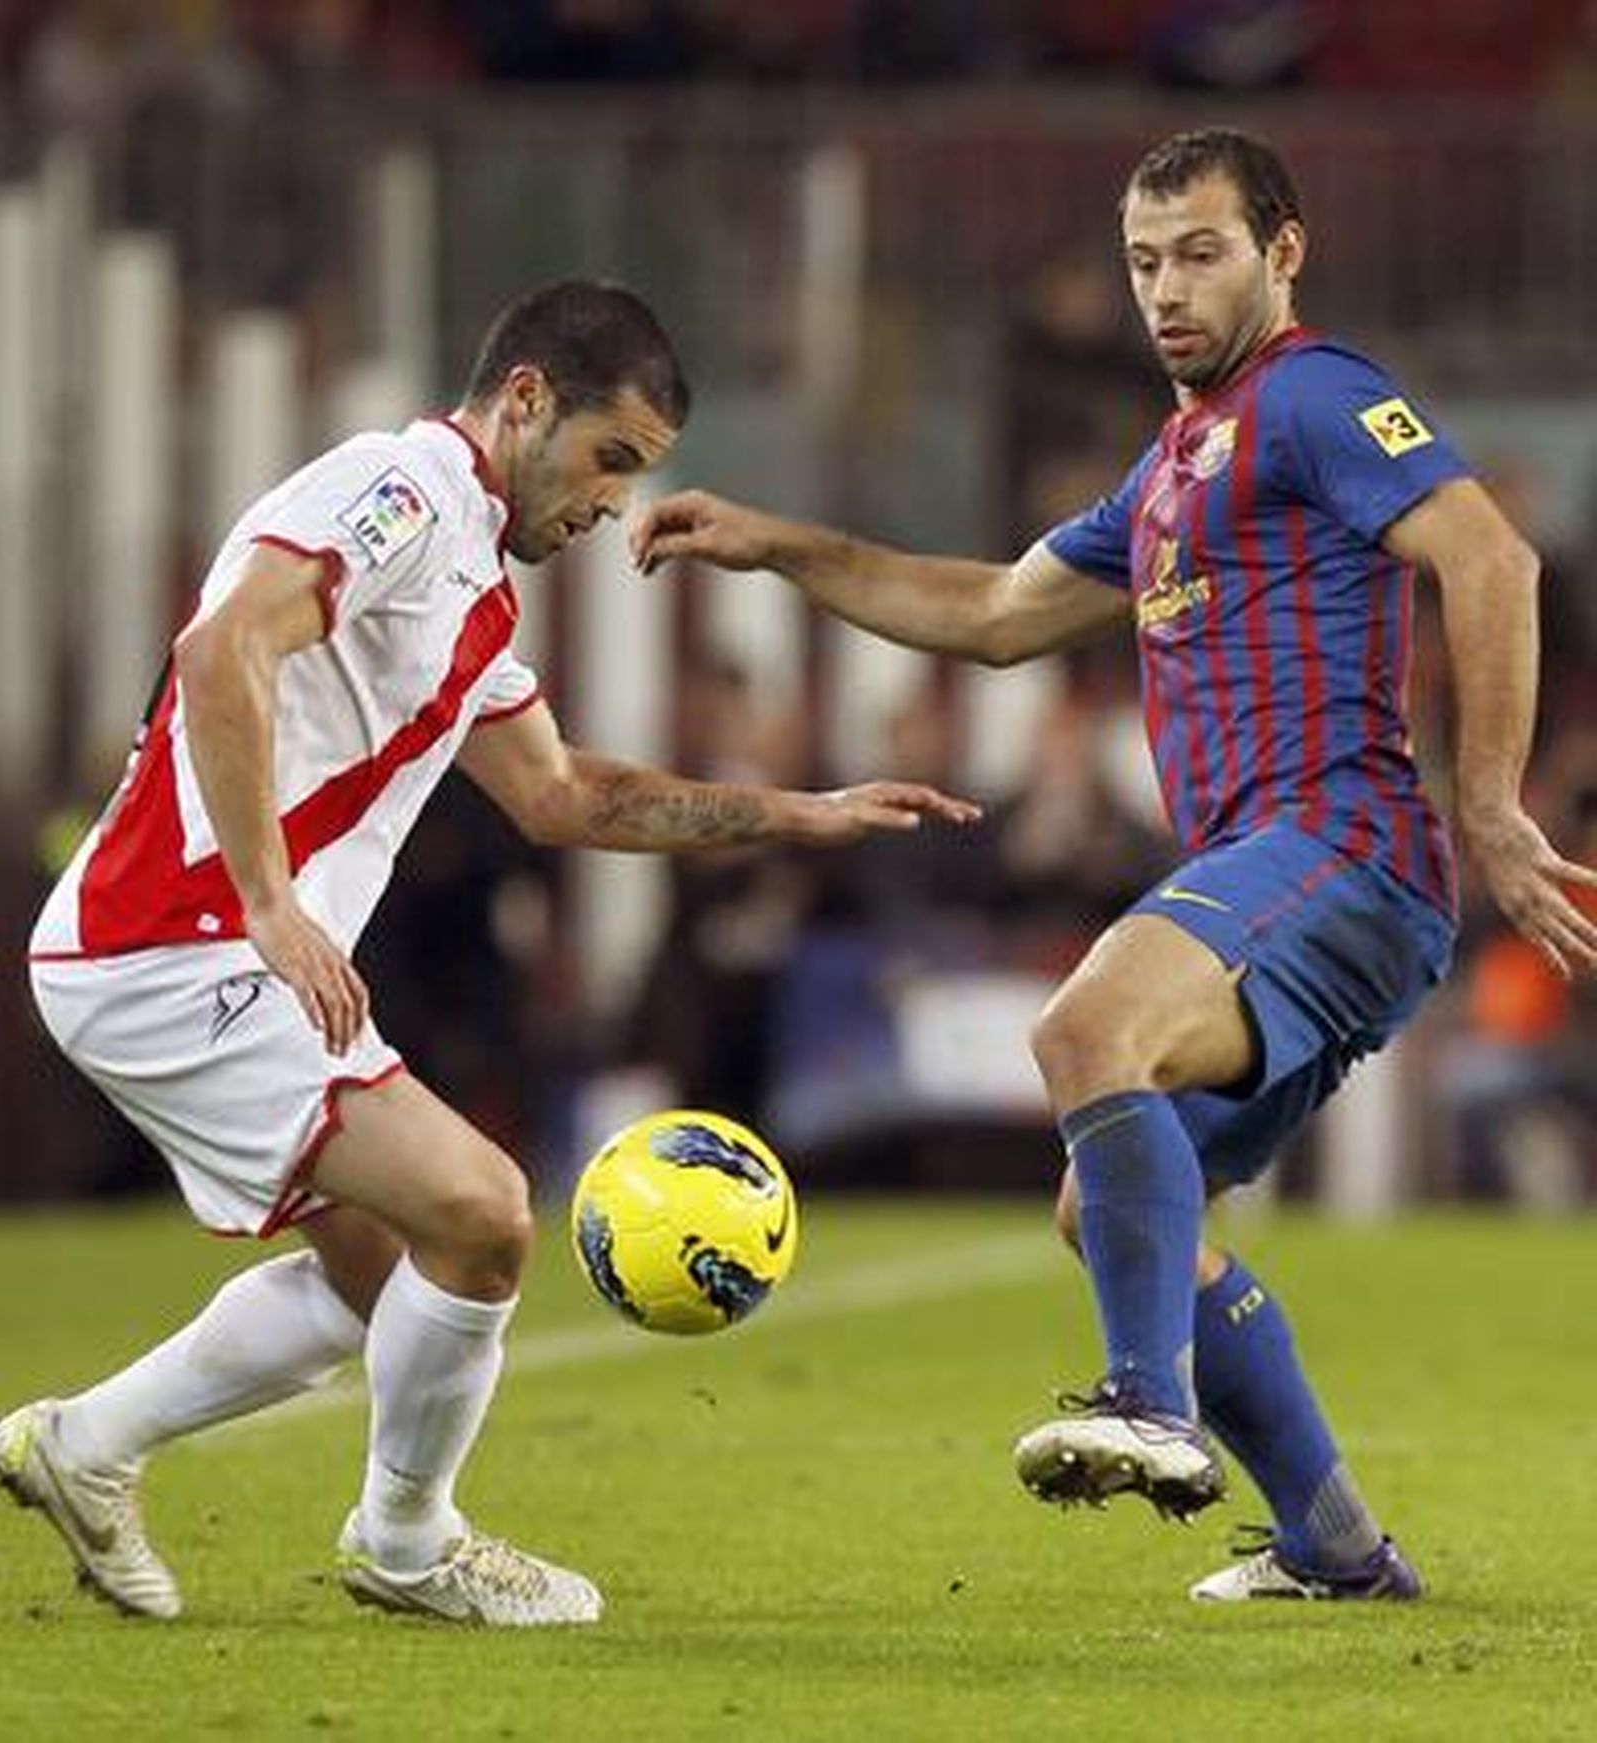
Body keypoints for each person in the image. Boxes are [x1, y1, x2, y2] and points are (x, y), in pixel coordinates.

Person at [631, 130, 1597, 1602]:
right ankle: (1334, 1546)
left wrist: (1493, 807)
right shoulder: (1168, 471)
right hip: (1290, 879)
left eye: (1200, 252)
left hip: (1337, 844)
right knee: (1112, 1209)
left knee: (1087, 1031)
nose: (1165, 289)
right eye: (1144, 261)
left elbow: (1492, 561)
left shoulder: (1319, 398)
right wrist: (779, 547)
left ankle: (1150, 1407)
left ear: (1283, 252)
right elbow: (994, 614)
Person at [0, 280, 978, 1627]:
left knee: (384, 1278)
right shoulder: (398, 494)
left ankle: (88, 1445)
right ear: (525, 401)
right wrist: (274, 904)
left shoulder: (474, 592)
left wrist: (798, 813)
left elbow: (565, 794)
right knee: (484, 1211)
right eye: (609, 461)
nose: (612, 508)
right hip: (181, 939)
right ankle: (409, 1543)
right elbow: (224, 652)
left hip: (184, 947)